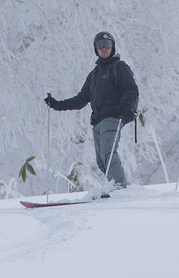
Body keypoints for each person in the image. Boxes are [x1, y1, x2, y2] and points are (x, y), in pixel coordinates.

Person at [45, 31, 139, 189]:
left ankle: (119, 187)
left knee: (108, 153)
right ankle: (112, 186)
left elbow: (131, 89)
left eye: (107, 45)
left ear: (112, 47)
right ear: (95, 49)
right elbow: (81, 99)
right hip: (98, 119)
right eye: (100, 45)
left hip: (113, 116)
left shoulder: (120, 67)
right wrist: (57, 104)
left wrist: (127, 105)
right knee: (101, 160)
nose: (104, 48)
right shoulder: (94, 75)